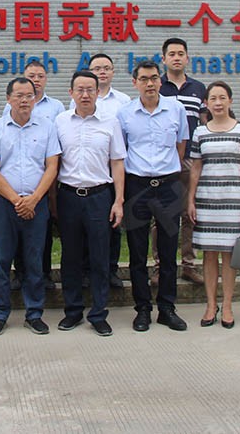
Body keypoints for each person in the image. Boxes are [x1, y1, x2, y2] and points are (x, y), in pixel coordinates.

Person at [0, 77, 61, 336]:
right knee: (2, 260)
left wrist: (34, 199)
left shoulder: (47, 128)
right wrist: (18, 201)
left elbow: (52, 167)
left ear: (35, 99)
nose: (25, 100)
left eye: (29, 95)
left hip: (37, 203)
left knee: (34, 260)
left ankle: (34, 313)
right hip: (5, 205)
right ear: (9, 99)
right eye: (19, 95)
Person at [117, 60, 190, 332]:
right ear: (135, 83)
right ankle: (143, 309)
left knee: (168, 251)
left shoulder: (176, 109)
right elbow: (121, 150)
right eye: (144, 79)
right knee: (138, 252)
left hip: (169, 186)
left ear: (161, 81)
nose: (150, 83)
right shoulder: (124, 114)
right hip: (137, 186)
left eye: (154, 78)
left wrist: (167, 171)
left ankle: (167, 308)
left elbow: (181, 146)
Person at [55, 71, 126, 337]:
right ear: (71, 93)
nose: (85, 95)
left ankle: (98, 313)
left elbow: (117, 162)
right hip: (68, 196)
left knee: (99, 257)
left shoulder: (110, 122)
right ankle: (73, 311)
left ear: (98, 92)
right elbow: (54, 162)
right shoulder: (60, 121)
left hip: (99, 196)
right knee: (70, 256)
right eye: (80, 90)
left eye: (90, 90)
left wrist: (118, 200)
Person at [185, 81, 240, 329]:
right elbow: (196, 168)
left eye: (222, 98)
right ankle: (210, 305)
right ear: (206, 103)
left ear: (230, 101)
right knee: (209, 254)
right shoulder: (200, 132)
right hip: (206, 200)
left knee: (229, 253)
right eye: (213, 98)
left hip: (233, 200)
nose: (217, 103)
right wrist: (191, 199)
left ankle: (227, 306)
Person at [5, 59, 64, 291]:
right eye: (32, 76)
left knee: (43, 228)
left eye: (40, 76)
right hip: (18, 175)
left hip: (45, 175)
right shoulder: (10, 107)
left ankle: (44, 273)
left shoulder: (56, 107)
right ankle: (20, 273)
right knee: (18, 230)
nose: (36, 80)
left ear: (46, 79)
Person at [75, 53, 132, 288]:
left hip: (112, 166)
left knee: (112, 224)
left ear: (112, 72)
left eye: (106, 68)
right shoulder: (78, 100)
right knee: (85, 229)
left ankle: (111, 269)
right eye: (97, 68)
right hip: (88, 168)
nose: (102, 72)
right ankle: (85, 270)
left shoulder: (124, 101)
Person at [159, 37, 207, 286]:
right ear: (163, 58)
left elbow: (205, 122)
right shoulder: (157, 86)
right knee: (161, 216)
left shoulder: (198, 88)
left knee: (189, 213)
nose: (176, 58)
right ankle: (159, 266)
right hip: (163, 162)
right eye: (172, 54)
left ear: (187, 58)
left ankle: (189, 264)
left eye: (181, 53)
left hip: (190, 159)